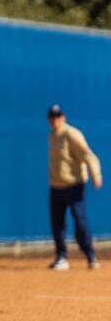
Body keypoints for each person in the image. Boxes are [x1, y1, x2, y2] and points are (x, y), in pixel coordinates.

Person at [47, 104, 102, 270]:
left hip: (74, 186)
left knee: (80, 222)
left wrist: (95, 175)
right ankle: (61, 257)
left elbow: (89, 155)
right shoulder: (52, 136)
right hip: (56, 187)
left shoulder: (71, 134)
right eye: (51, 117)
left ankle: (91, 256)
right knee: (57, 224)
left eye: (57, 116)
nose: (54, 120)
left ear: (63, 117)